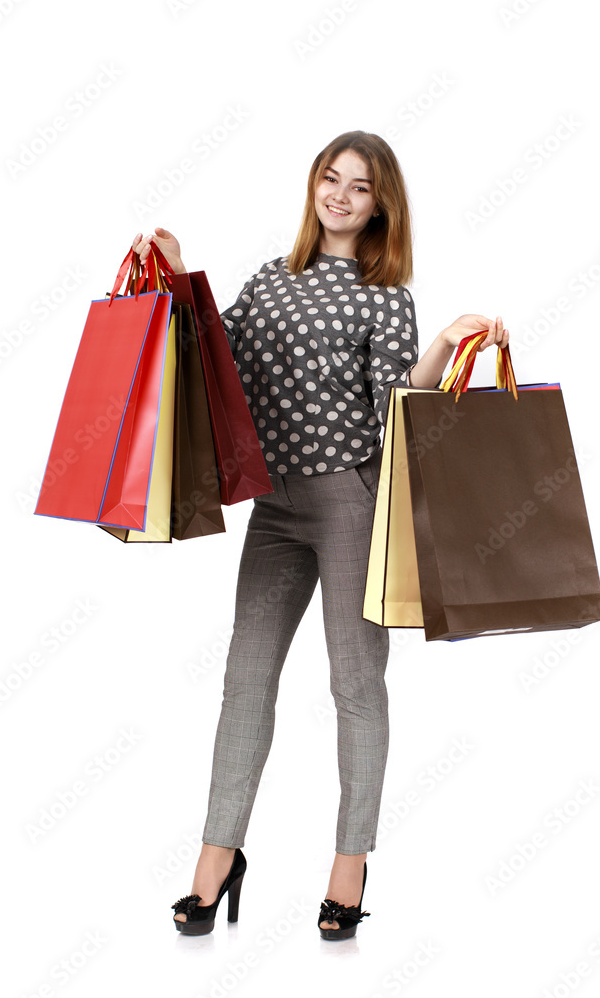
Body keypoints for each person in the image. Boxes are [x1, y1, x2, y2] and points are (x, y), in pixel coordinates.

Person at [132, 130, 509, 940]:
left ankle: (349, 864)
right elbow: (215, 360)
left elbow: (398, 409)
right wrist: (176, 267)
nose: (338, 195)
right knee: (244, 679)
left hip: (349, 503)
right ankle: (217, 857)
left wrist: (444, 342)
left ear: (381, 204)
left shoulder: (383, 291)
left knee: (354, 685)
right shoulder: (272, 278)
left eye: (359, 186)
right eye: (329, 179)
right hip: (275, 506)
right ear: (313, 186)